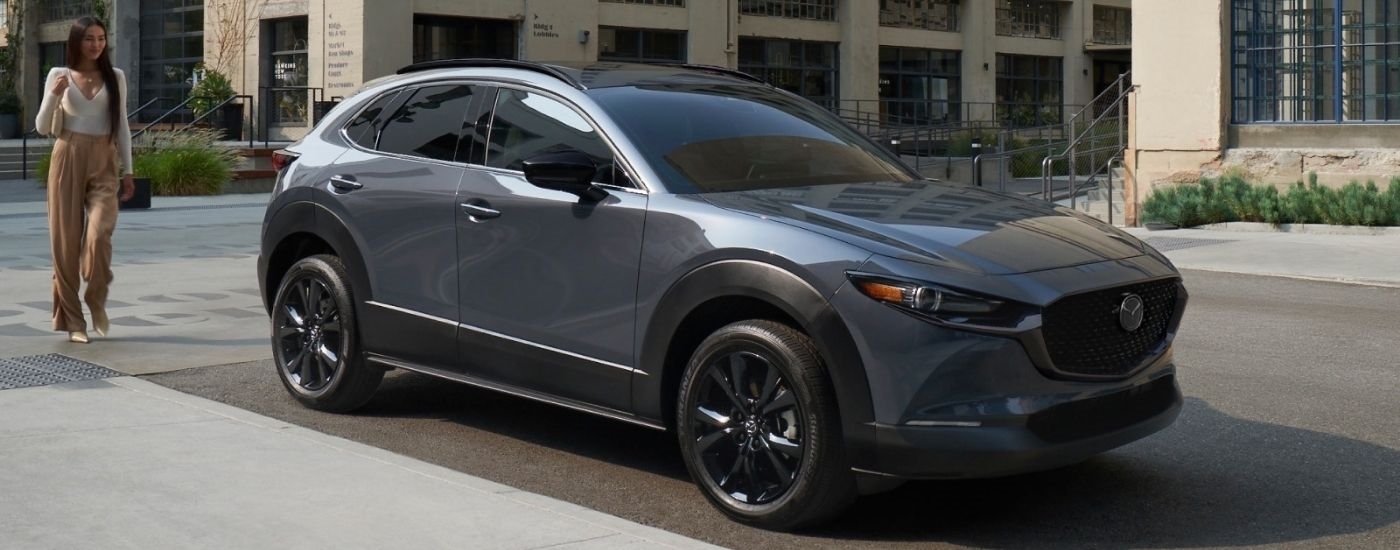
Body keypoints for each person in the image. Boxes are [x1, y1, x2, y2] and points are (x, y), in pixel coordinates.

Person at [34, 16, 135, 344]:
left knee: (99, 234)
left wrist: (129, 171)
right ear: (77, 41)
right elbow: (41, 126)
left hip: (105, 158)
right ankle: (73, 321)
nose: (96, 44)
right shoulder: (58, 75)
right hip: (68, 154)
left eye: (101, 38)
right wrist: (53, 96)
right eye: (89, 38)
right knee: (64, 244)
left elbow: (122, 126)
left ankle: (96, 298)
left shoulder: (115, 76)